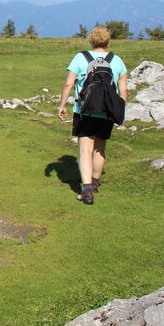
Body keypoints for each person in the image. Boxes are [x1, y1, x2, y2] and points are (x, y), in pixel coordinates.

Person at [58, 26, 128, 205]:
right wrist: (120, 109)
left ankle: (87, 191)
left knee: (85, 149)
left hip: (85, 110)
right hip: (106, 111)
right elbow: (123, 89)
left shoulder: (81, 58)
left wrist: (63, 105)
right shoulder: (117, 60)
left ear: (91, 40)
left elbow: (68, 84)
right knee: (100, 147)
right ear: (108, 40)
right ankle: (95, 183)